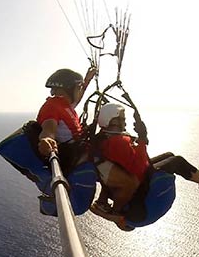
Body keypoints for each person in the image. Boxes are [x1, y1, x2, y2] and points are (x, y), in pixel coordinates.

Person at [90, 103, 199, 229]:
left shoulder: (105, 137)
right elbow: (140, 166)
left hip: (131, 175)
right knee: (177, 161)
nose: (124, 121)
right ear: (112, 121)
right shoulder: (118, 142)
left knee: (169, 155)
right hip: (139, 186)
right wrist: (142, 140)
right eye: (121, 118)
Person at [36, 69, 139, 210]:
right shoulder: (51, 107)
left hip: (84, 150)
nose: (80, 90)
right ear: (67, 89)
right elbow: (48, 128)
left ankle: (103, 201)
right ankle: (116, 213)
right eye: (78, 87)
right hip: (80, 157)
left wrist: (87, 79)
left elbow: (78, 96)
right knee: (129, 183)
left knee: (118, 158)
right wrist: (46, 139)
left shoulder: (65, 104)